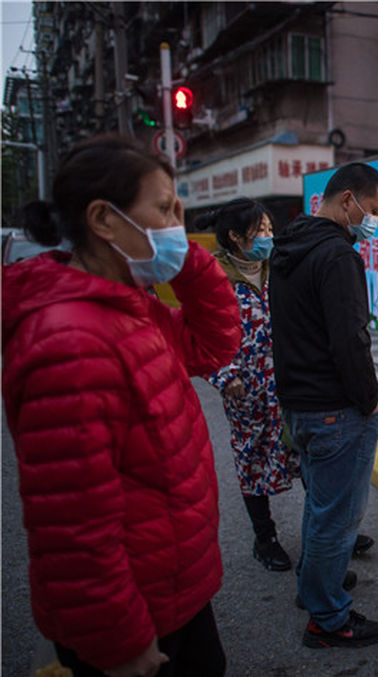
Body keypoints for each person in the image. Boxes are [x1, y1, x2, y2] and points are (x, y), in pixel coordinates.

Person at [1, 134, 240, 676]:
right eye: (165, 209)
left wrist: (185, 259)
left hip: (172, 585)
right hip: (133, 618)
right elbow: (73, 523)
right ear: (104, 220)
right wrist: (120, 640)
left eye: (179, 212)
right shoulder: (69, 341)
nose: (177, 225)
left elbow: (213, 345)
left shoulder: (129, 306)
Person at [269, 162, 378, 649]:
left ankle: (316, 584)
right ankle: (328, 618)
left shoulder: (288, 247)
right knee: (337, 518)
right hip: (335, 408)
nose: (375, 220)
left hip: (298, 402)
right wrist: (369, 400)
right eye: (374, 209)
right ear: (347, 201)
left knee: (320, 507)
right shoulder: (338, 256)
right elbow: (349, 340)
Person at [197, 198, 301, 572]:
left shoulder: (279, 268)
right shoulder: (212, 280)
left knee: (308, 452)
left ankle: (331, 532)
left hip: (290, 382)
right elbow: (200, 337)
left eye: (270, 229)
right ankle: (265, 538)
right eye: (260, 231)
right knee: (252, 459)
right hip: (247, 391)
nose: (269, 237)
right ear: (235, 237)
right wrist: (226, 377)